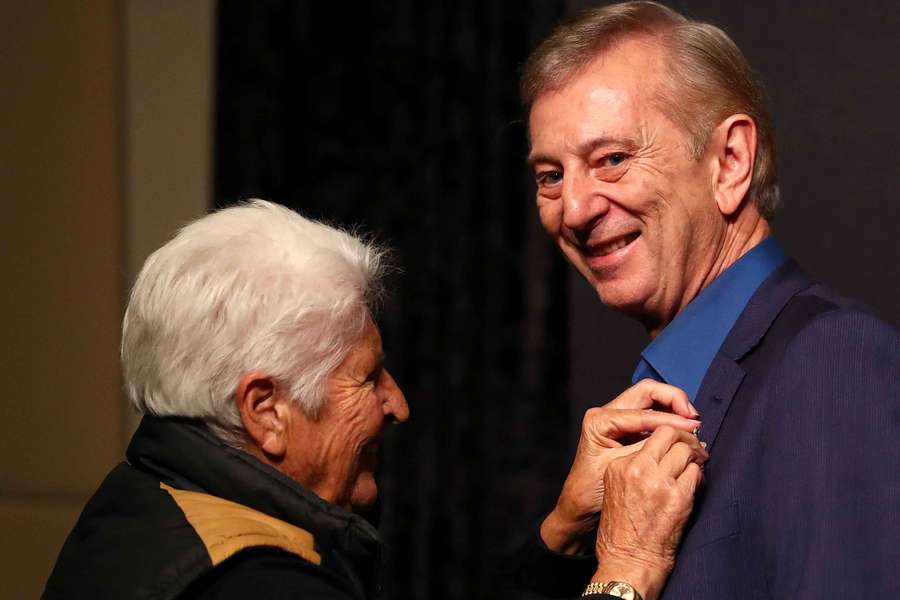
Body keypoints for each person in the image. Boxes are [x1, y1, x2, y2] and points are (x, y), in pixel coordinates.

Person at [42, 200, 706, 599]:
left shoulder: (146, 500)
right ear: (266, 411)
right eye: (367, 378)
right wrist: (627, 571)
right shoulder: (255, 584)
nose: (398, 404)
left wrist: (560, 533)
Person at [518, 1, 900, 598]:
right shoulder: (663, 394)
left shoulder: (834, 360)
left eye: (612, 159)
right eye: (551, 176)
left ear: (730, 162)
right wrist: (563, 537)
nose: (574, 210)